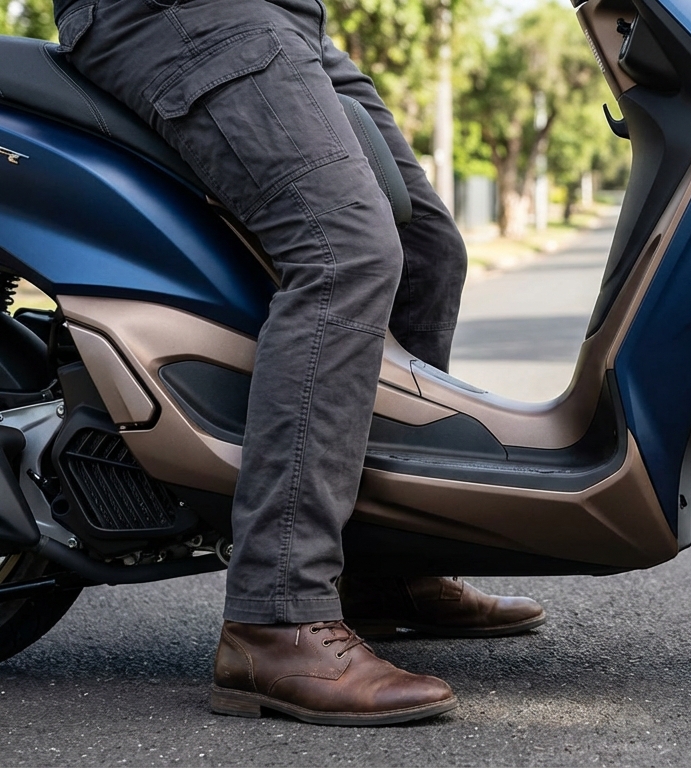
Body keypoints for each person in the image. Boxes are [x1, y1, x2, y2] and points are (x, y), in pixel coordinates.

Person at [50, 0, 545, 725]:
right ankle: (275, 617)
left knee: (427, 252)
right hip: (181, 11)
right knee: (344, 250)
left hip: (282, 14)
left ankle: (383, 570)